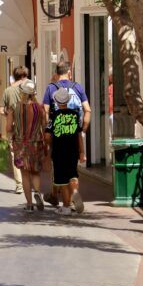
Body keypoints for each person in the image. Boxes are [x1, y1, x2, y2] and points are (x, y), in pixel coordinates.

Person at [8, 79, 48, 212]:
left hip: (20, 143)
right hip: (36, 143)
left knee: (25, 174)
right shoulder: (40, 107)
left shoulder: (14, 107)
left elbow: (8, 127)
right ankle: (37, 191)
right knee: (35, 171)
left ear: (22, 92)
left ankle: (29, 204)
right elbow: (44, 125)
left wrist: (14, 129)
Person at [46, 86, 86, 214]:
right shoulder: (75, 115)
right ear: (68, 100)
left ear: (56, 101)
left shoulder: (53, 116)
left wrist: (49, 145)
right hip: (73, 149)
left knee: (62, 179)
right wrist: (82, 152)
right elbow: (79, 135)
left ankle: (66, 206)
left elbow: (47, 136)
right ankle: (74, 191)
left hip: (58, 150)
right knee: (73, 174)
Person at [43, 61, 92, 135]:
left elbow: (45, 111)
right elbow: (87, 110)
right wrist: (83, 131)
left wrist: (48, 130)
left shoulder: (51, 88)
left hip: (57, 133)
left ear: (57, 74)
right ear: (69, 73)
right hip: (74, 132)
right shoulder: (78, 87)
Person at [2, 65, 29, 194]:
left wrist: (7, 113)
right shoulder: (30, 88)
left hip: (13, 126)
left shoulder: (8, 90)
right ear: (25, 75)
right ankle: (29, 181)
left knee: (15, 154)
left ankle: (19, 185)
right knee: (29, 153)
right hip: (29, 126)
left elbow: (5, 109)